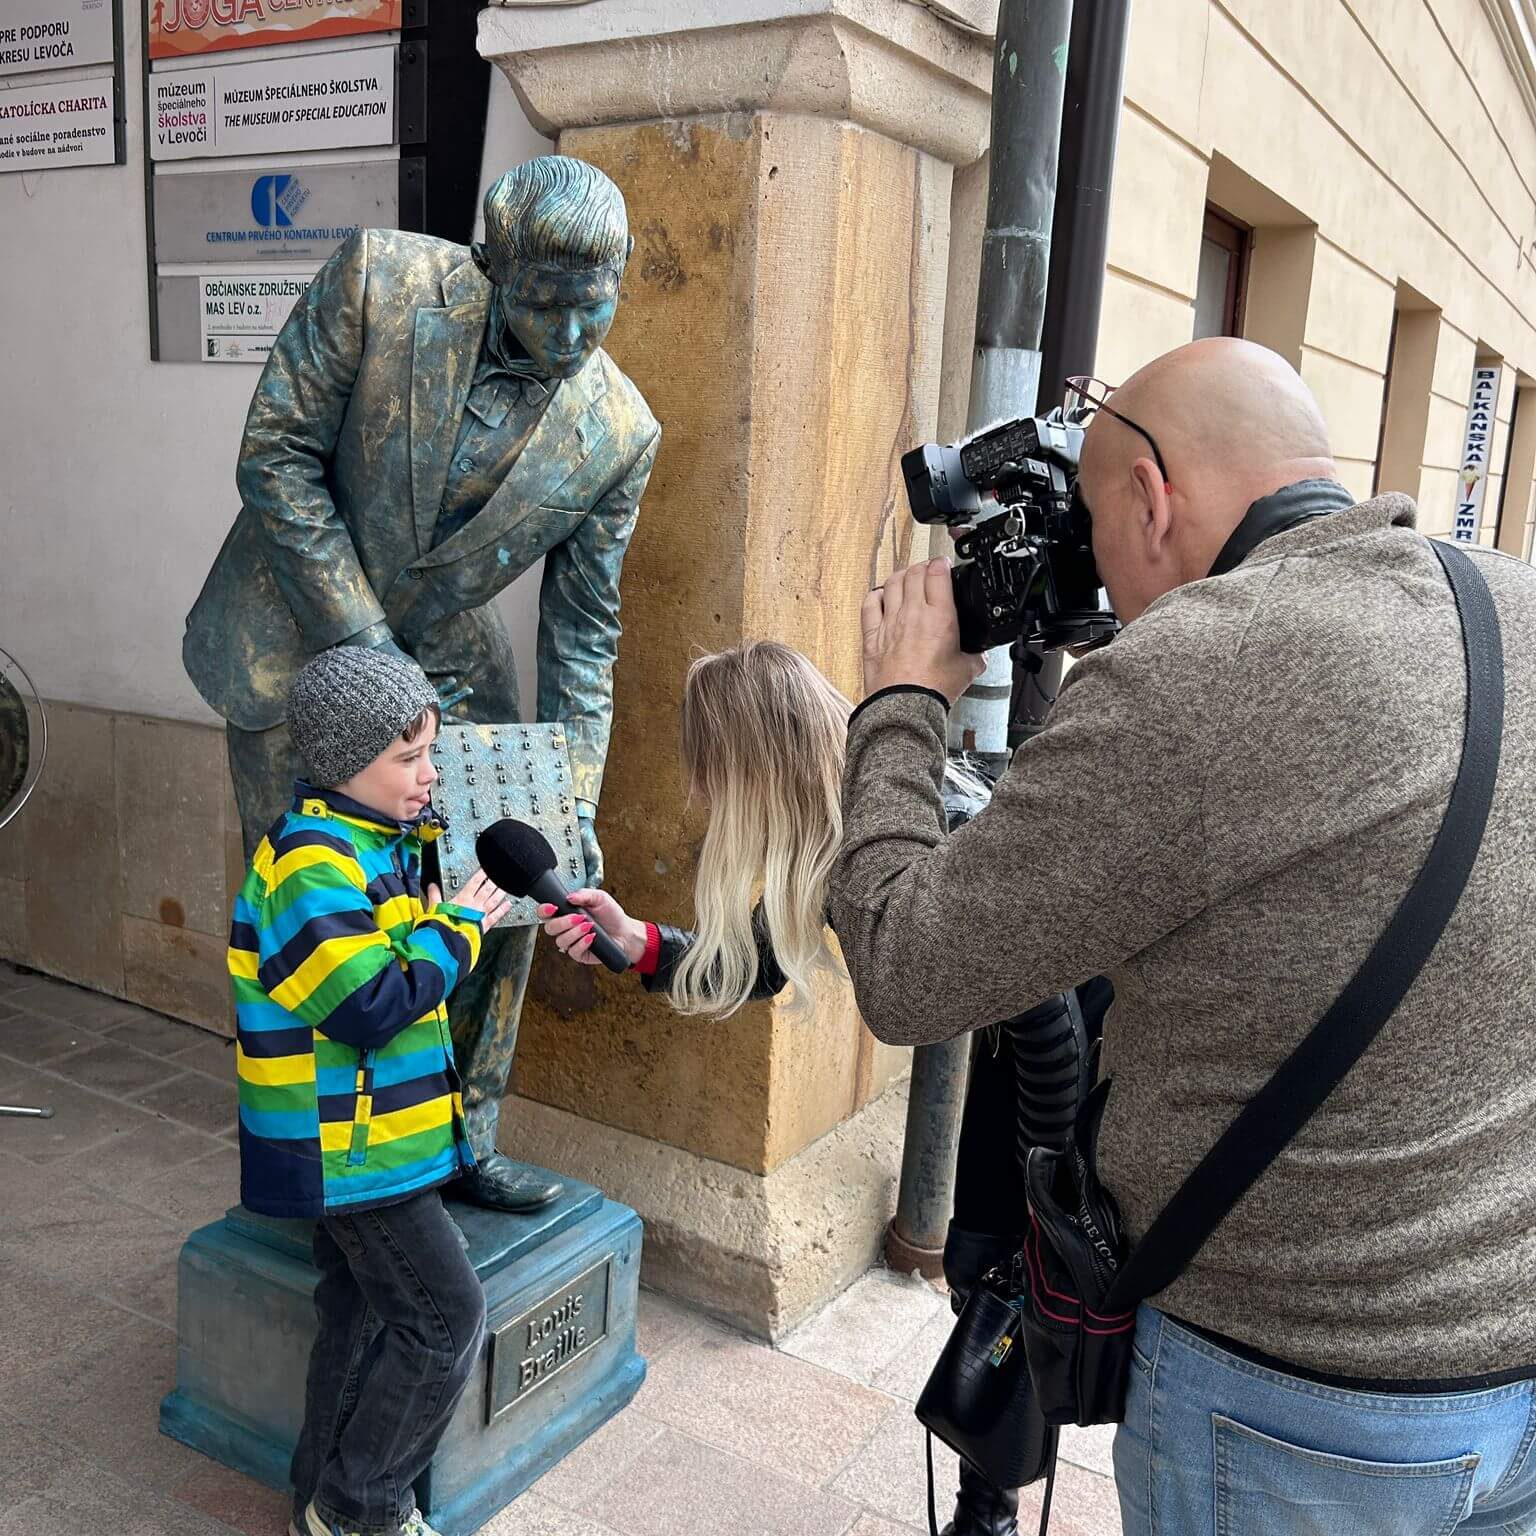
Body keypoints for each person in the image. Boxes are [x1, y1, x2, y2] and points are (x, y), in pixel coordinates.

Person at [831, 337, 1536, 1534]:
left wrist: (903, 698)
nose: (1102, 577)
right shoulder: (1513, 598)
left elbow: (906, 965)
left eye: (1098, 529)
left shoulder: (1198, 667)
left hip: (1294, 1399)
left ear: (1153, 498)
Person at [539, 637, 1104, 1536]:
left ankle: (990, 1512)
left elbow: (1053, 1021)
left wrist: (1053, 1195)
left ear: (752, 763)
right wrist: (635, 941)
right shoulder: (826, 825)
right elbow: (755, 965)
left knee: (1036, 1293)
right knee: (986, 1284)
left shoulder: (914, 830)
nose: (697, 793)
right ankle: (984, 1506)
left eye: (707, 767)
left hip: (1075, 1087)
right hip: (1029, 1072)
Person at [186, 154, 661, 1213]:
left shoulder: (620, 432)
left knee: (510, 876)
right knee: (319, 930)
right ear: (493, 267)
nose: (575, 339)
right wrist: (369, 661)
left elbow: (585, 632)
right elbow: (276, 458)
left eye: (598, 308)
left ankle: (459, 1143)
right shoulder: (376, 281)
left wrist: (573, 795)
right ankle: (326, 1184)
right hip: (290, 636)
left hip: (451, 666)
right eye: (547, 306)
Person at [228, 645, 513, 1536]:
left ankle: (320, 1497)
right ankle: (361, 1509)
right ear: (344, 760)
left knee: (356, 1316)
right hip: (348, 1152)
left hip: (374, 1141)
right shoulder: (313, 863)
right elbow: (371, 1004)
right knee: (445, 1320)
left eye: (430, 752)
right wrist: (457, 929)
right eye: (409, 758)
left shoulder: (371, 843)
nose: (430, 775)